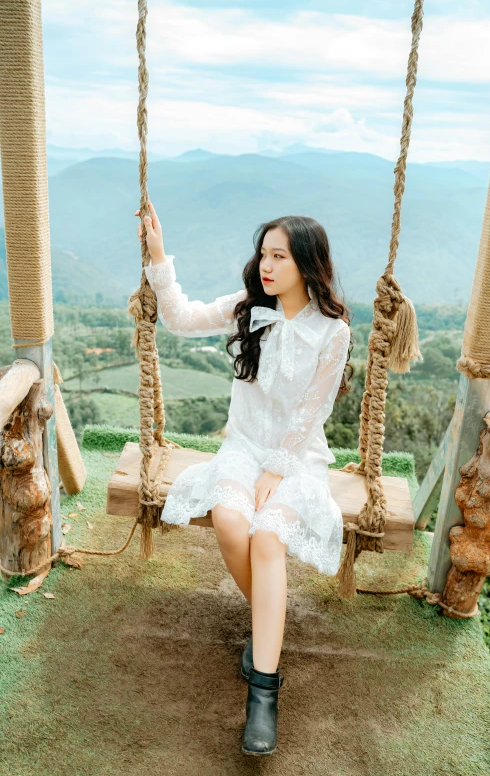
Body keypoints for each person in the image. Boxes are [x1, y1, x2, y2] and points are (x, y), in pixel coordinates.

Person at [135, 201, 353, 756]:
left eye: (279, 256)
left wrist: (278, 469)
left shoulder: (333, 332)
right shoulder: (247, 307)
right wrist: (159, 256)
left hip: (298, 455)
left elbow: (313, 411)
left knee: (268, 534)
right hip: (243, 445)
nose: (266, 265)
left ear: (306, 264)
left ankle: (263, 689)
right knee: (232, 522)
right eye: (263, 254)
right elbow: (180, 318)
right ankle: (270, 634)